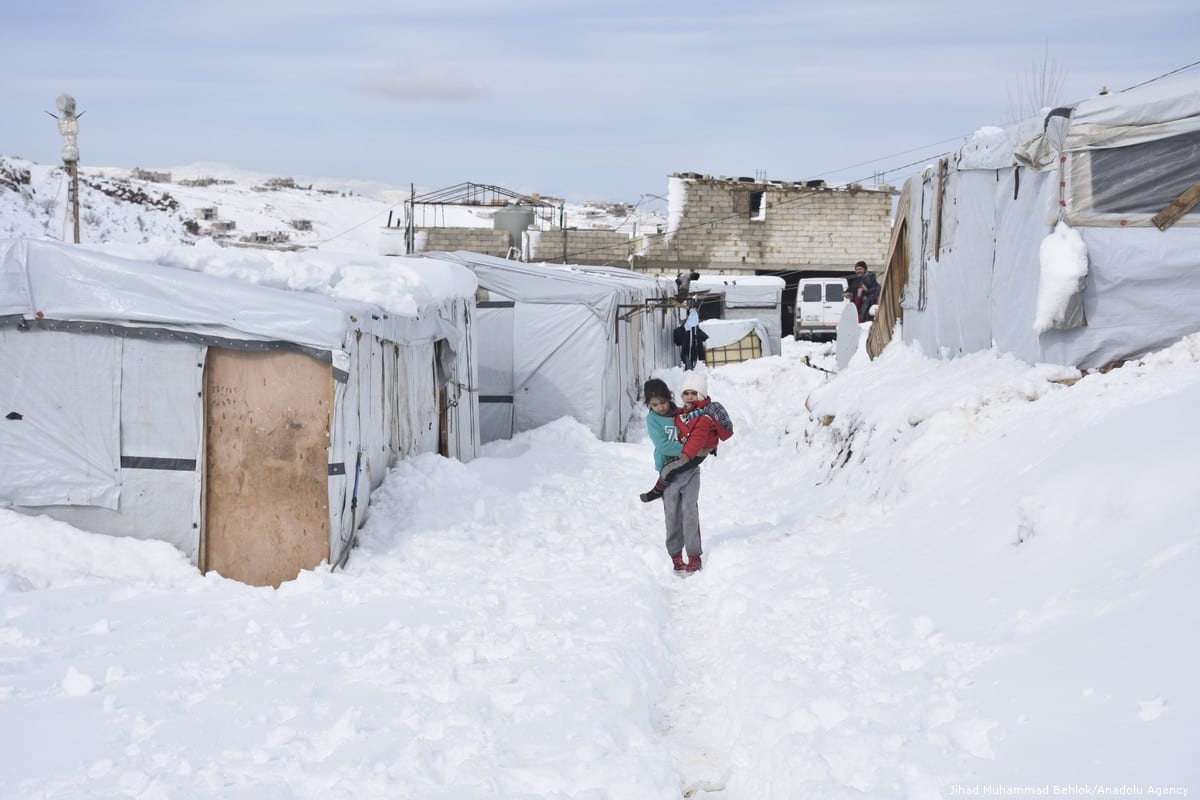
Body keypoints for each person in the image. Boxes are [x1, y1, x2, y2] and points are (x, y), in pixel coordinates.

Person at [640, 371, 728, 573]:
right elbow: (663, 446)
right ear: (649, 406)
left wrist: (707, 445)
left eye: (662, 402)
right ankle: (675, 554)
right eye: (655, 405)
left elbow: (701, 431)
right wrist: (691, 449)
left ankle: (694, 555)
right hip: (669, 470)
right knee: (672, 514)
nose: (660, 407)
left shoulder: (682, 413)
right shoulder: (653, 420)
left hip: (690, 469)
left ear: (670, 398)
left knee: (690, 511)